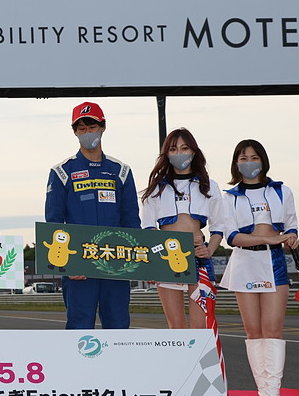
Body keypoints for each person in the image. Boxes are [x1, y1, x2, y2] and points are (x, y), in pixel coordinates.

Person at [219, 138, 299, 396]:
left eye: (254, 157)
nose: (249, 162)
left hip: (274, 262)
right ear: (236, 163)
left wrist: (290, 236)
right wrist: (271, 238)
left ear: (263, 160)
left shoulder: (282, 191)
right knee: (253, 332)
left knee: (272, 330)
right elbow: (231, 237)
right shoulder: (229, 197)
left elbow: (291, 225)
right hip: (244, 264)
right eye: (243, 158)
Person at [45, 102, 140, 330]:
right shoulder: (61, 172)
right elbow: (54, 222)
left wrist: (134, 263)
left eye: (92, 127)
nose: (87, 133)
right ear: (75, 132)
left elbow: (131, 221)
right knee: (79, 327)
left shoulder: (121, 171)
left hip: (116, 263)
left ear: (103, 127)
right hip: (79, 266)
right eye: (82, 129)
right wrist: (68, 265)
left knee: (118, 326)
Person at [140, 128, 224, 329]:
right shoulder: (157, 187)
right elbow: (148, 227)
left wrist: (209, 250)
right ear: (166, 154)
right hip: (167, 258)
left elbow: (219, 226)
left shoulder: (208, 185)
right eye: (173, 149)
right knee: (176, 327)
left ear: (194, 151)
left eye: (184, 148)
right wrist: (152, 262)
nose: (179, 153)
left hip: (198, 257)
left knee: (200, 327)